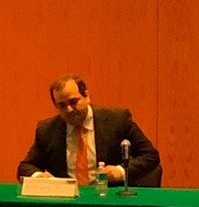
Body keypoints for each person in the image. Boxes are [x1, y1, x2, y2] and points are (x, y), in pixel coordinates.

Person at [18, 74, 162, 187]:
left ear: (86, 96)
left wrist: (120, 171)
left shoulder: (117, 121)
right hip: (66, 204)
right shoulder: (47, 130)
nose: (69, 109)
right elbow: (25, 167)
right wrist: (38, 176)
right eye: (62, 105)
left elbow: (150, 156)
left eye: (73, 102)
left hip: (108, 200)